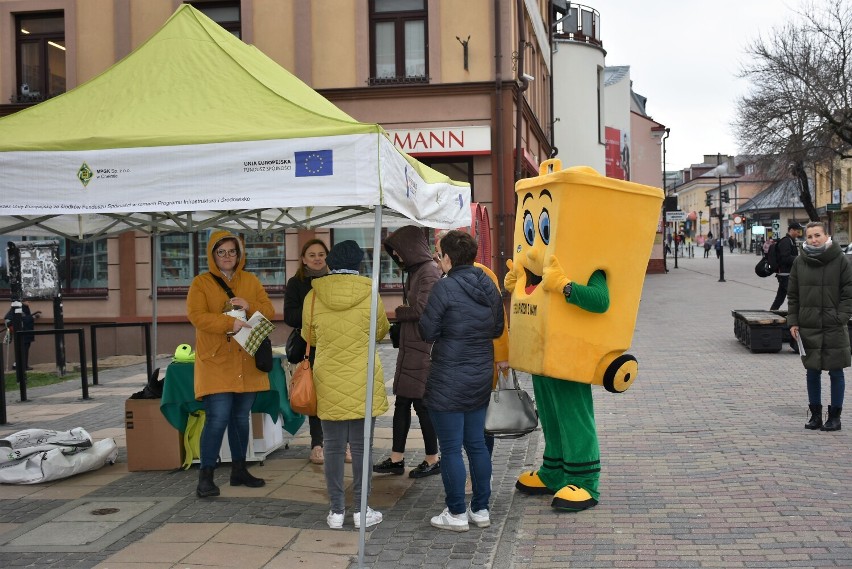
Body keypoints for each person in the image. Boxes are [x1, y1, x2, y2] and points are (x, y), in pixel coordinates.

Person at [419, 230, 504, 532]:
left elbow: (427, 331)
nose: (437, 259)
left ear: (449, 258)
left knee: (452, 448)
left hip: (449, 377)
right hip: (480, 374)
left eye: (439, 254)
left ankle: (456, 512)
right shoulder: (488, 285)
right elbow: (496, 328)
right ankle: (480, 509)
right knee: (477, 446)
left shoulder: (445, 288)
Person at [303, 240, 390, 530]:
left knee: (333, 448)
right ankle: (361, 510)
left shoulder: (313, 296)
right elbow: (380, 331)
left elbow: (309, 336)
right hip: (363, 376)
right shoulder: (371, 293)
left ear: (330, 262)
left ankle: (337, 511)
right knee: (362, 448)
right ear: (359, 265)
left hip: (327, 377)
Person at [187, 230, 274, 498]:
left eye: (232, 251)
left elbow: (269, 313)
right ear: (213, 255)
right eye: (221, 252)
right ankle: (206, 477)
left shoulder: (250, 280)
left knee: (240, 419)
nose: (227, 256)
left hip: (246, 362)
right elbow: (197, 316)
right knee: (218, 419)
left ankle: (239, 470)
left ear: (239, 254)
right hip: (216, 362)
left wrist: (250, 305)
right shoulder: (201, 283)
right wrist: (229, 322)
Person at [373, 226, 442, 479]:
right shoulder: (416, 272)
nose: (398, 258)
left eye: (400, 252)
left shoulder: (428, 272)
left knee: (421, 403)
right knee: (403, 401)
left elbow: (423, 310)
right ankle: (396, 458)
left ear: (411, 248)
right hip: (411, 345)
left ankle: (432, 458)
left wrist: (399, 312)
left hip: (422, 346)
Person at [284, 238, 346, 465]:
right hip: (311, 346)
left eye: (321, 254)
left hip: (336, 344)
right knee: (315, 397)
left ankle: (344, 445)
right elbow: (289, 316)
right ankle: (317, 445)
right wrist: (313, 306)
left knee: (339, 395)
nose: (317, 258)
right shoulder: (296, 283)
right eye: (312, 255)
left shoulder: (338, 280)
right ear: (303, 259)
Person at [787, 221, 850, 432]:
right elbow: (793, 295)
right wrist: (793, 321)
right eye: (810, 236)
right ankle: (815, 415)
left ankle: (835, 417)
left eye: (817, 235)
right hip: (808, 324)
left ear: (826, 236)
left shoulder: (840, 260)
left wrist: (840, 317)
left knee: (836, 371)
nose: (814, 240)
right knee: (812, 371)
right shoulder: (799, 262)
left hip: (833, 325)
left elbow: (848, 292)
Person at [770, 222, 803, 311]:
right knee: (794, 298)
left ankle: (772, 312)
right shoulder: (786, 241)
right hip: (785, 275)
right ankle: (796, 317)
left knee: (780, 298)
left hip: (787, 274)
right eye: (797, 231)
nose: (798, 233)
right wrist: (799, 258)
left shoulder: (790, 241)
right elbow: (785, 258)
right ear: (791, 230)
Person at [4, 302, 40, 371]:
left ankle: (18, 364)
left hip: (27, 332)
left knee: (24, 349)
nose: (28, 302)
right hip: (22, 332)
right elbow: (9, 319)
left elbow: (26, 317)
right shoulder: (18, 307)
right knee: (23, 349)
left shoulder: (25, 308)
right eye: (27, 300)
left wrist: (34, 316)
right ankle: (23, 366)